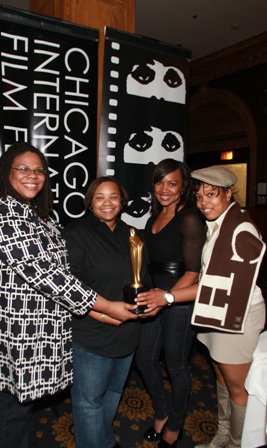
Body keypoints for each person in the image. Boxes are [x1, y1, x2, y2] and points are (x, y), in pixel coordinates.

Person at [0, 143, 138, 448]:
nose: (32, 176)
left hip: (33, 336)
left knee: (23, 412)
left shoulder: (41, 217)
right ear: (6, 172)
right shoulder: (1, 213)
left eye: (39, 170)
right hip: (9, 334)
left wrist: (100, 313)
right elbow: (48, 276)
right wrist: (107, 307)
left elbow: (66, 273)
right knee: (11, 412)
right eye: (23, 169)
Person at [137, 165, 266, 448]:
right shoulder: (216, 222)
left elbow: (219, 283)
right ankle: (223, 434)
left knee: (237, 388)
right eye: (200, 196)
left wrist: (167, 297)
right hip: (212, 310)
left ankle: (235, 443)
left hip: (236, 314)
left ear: (228, 194)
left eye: (212, 195)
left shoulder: (240, 228)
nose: (204, 202)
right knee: (220, 376)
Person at [61, 176, 149, 448]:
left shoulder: (132, 234)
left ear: (122, 201)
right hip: (92, 334)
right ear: (89, 203)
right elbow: (69, 287)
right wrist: (103, 314)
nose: (107, 203)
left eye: (113, 196)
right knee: (89, 403)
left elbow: (142, 278)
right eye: (99, 197)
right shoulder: (75, 233)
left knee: (113, 393)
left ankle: (103, 440)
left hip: (128, 331)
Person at [135, 158, 206, 447]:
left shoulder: (189, 218)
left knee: (176, 367)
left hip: (179, 301)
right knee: (145, 360)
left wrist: (165, 299)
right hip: (156, 299)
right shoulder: (152, 219)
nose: (165, 189)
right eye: (160, 182)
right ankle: (163, 412)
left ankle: (175, 426)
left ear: (183, 187)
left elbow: (193, 272)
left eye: (172, 183)